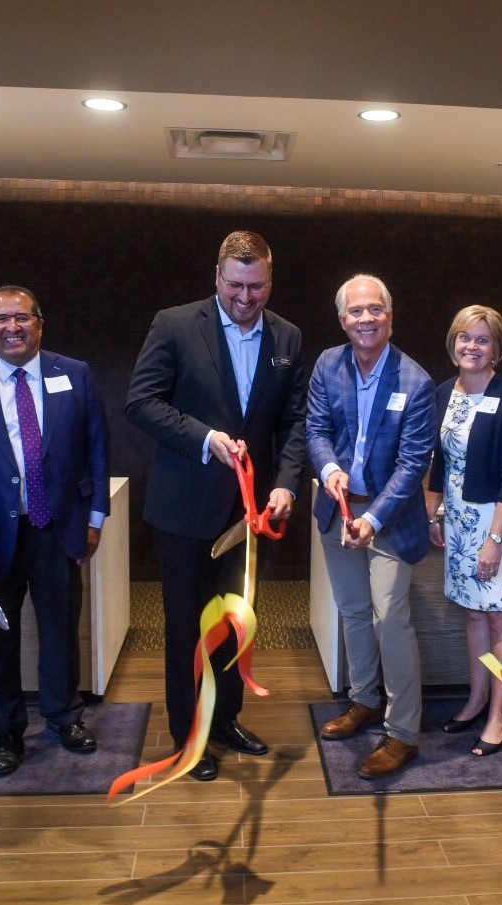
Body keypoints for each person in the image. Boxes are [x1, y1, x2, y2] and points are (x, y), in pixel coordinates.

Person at [125, 231, 307, 783]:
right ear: (217, 277)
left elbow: (295, 421)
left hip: (249, 515)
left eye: (256, 287)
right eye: (235, 285)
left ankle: (226, 720)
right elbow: (141, 401)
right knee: (186, 628)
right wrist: (206, 438)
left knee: (235, 623)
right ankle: (190, 737)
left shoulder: (289, 338)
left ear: (270, 281)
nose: (246, 298)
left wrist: (287, 483)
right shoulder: (176, 324)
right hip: (184, 509)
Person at [0, 285, 110, 777]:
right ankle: (6, 733)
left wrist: (94, 519)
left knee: (60, 631)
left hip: (58, 529)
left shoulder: (74, 374)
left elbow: (98, 448)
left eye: (22, 317)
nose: (12, 327)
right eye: (0, 319)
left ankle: (63, 718)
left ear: (40, 322)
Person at [311, 274, 436, 779]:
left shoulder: (415, 380)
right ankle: (362, 701)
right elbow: (316, 428)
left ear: (390, 316)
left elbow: (413, 463)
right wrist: (328, 470)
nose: (365, 318)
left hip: (389, 516)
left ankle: (403, 732)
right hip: (338, 508)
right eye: (356, 311)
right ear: (343, 320)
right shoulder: (327, 364)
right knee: (353, 610)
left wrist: (372, 517)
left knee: (389, 616)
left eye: (374, 310)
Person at [423, 305, 502, 756]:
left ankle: (500, 713)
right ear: (453, 342)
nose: (472, 346)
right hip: (460, 523)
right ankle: (476, 699)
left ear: (497, 349)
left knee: (501, 616)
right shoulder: (445, 392)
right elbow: (439, 463)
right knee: (473, 614)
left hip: (497, 523)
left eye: (483, 340)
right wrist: (433, 515)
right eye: (465, 337)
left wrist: (495, 540)